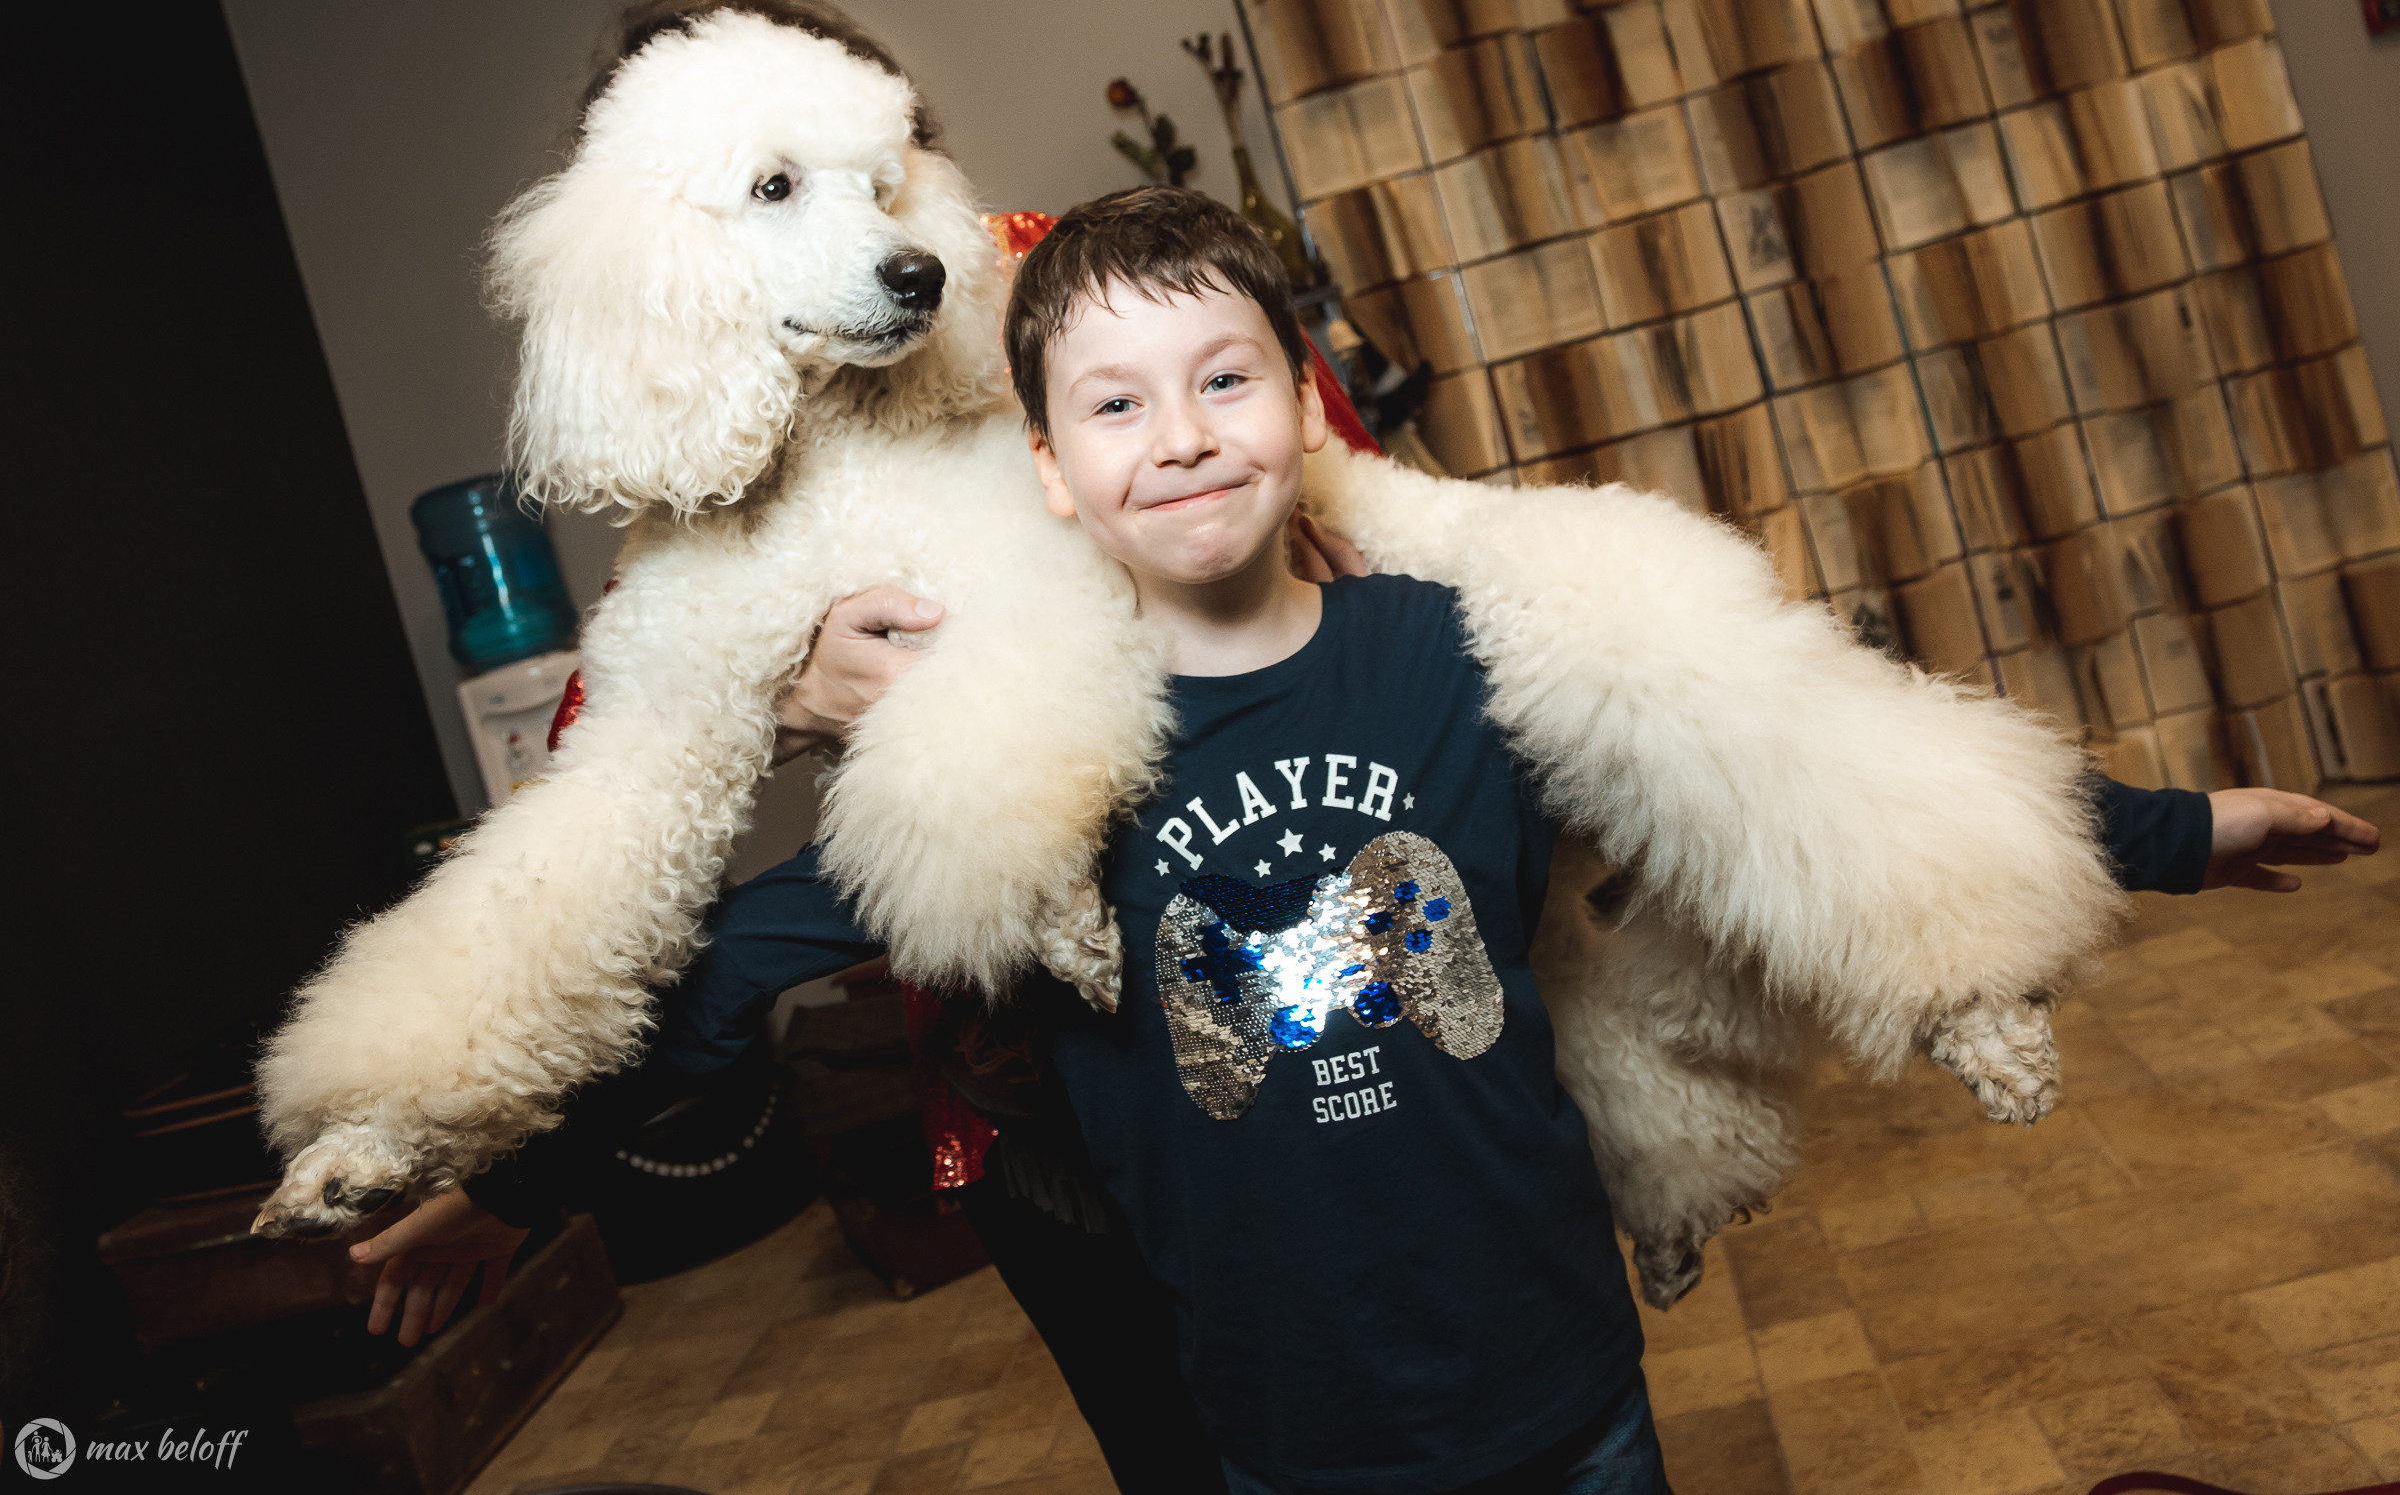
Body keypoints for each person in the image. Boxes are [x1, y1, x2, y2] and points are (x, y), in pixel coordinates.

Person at [355, 188, 2380, 1494]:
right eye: (1119, 403)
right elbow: (706, 964)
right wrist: (485, 1155)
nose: (1184, 432)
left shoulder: (1466, 649)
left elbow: (1787, 751)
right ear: (1045, 474)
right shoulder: (980, 757)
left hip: (1560, 1383)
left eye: (1228, 375)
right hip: (1274, 1431)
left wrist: (2175, 827)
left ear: (1302, 407)